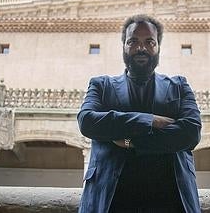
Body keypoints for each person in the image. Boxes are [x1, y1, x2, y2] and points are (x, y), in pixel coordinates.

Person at [78, 14, 202, 213]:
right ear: (124, 47)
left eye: (149, 42)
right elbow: (87, 121)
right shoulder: (101, 85)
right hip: (112, 200)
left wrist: (131, 142)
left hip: (170, 199)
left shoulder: (179, 86)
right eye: (133, 41)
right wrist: (149, 120)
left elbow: (191, 133)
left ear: (158, 47)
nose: (141, 47)